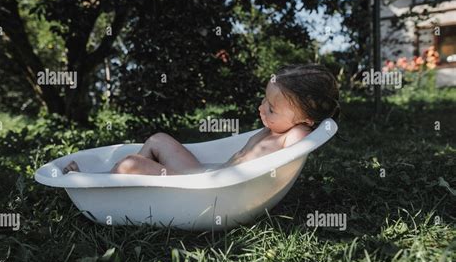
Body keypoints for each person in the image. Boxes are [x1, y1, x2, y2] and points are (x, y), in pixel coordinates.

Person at [63, 64, 340, 176]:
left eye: (272, 108)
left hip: (210, 191)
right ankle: (131, 185)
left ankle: (96, 181)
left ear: (304, 118)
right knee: (158, 139)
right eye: (265, 100)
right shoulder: (273, 130)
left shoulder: (294, 134)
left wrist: (319, 126)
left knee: (129, 163)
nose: (262, 108)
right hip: (205, 174)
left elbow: (306, 141)